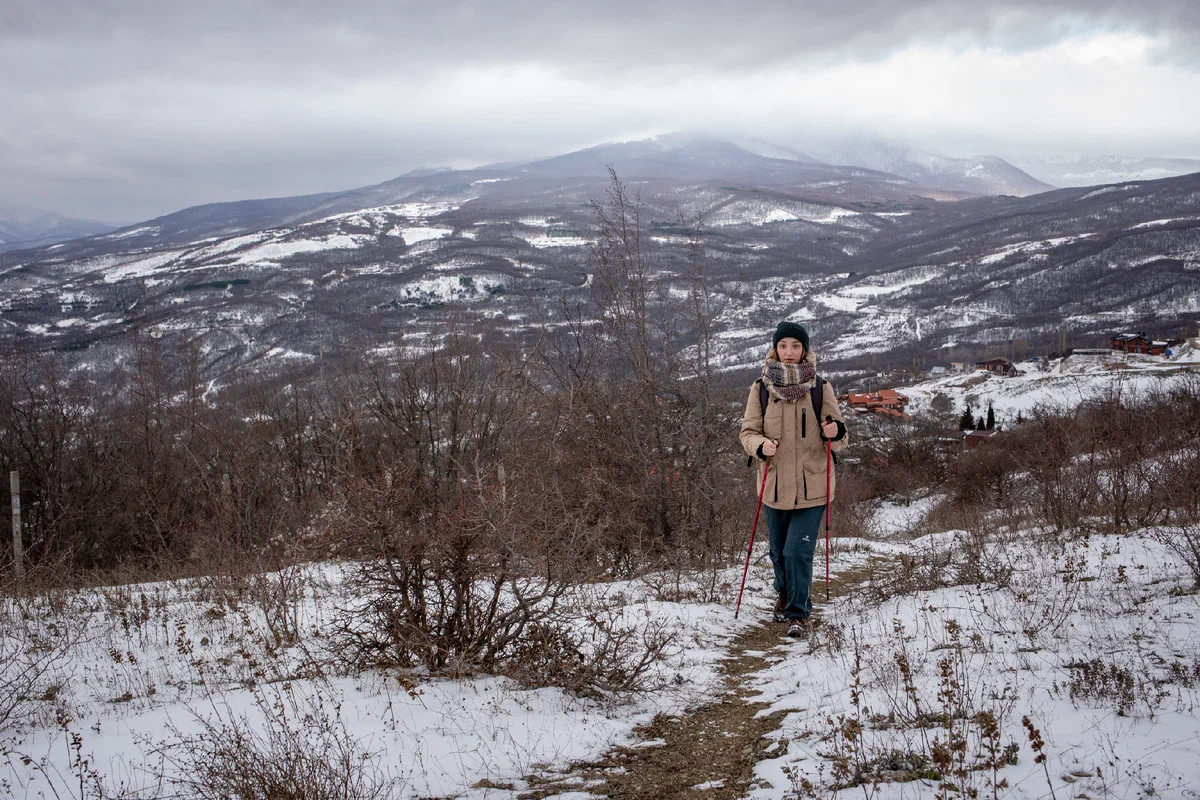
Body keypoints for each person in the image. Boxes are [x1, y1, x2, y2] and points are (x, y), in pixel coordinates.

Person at [739, 321, 848, 638]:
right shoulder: (760, 389)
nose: (789, 352)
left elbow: (840, 435)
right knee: (777, 551)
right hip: (773, 486)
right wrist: (760, 446)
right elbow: (748, 432)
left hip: (812, 485)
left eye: (795, 346)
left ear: (804, 351)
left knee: (796, 552)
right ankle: (785, 593)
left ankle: (798, 613)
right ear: (776, 348)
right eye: (783, 345)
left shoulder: (819, 388)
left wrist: (835, 431)